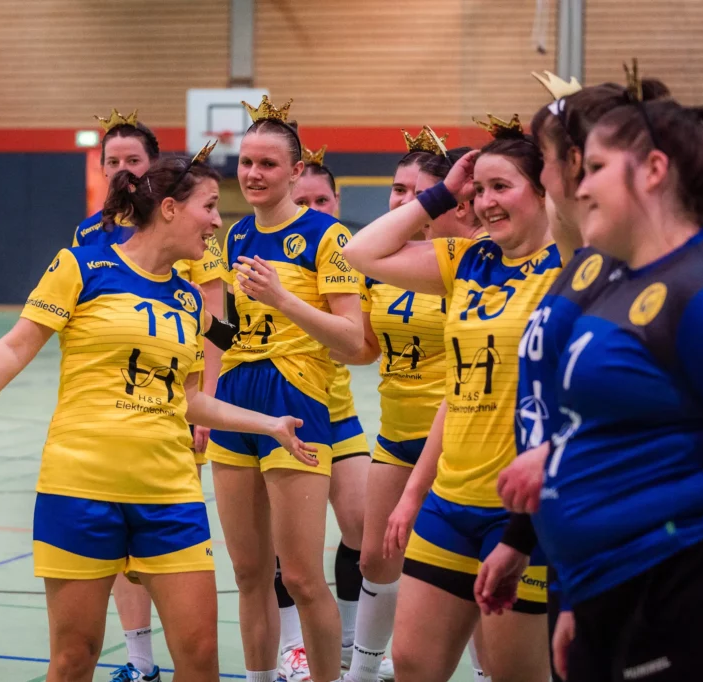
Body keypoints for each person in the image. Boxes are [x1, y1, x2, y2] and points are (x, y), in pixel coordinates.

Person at [0, 151, 317, 682]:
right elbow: (14, 347)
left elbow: (188, 397)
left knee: (200, 655)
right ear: (170, 208)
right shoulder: (80, 267)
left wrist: (267, 424)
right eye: (209, 206)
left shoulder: (190, 302)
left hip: (169, 494)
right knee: (74, 658)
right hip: (79, 489)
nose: (217, 221)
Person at [532, 91, 703, 682]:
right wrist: (576, 598)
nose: (580, 188)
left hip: (683, 589)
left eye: (597, 168)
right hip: (605, 594)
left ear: (653, 170)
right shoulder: (617, 284)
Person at [345, 117, 562, 682]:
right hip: (450, 500)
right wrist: (442, 192)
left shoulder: (572, 266)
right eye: (479, 189)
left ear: (545, 191)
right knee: (413, 664)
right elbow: (361, 252)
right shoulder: (468, 259)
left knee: (513, 672)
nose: (485, 202)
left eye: (502, 186)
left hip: (521, 507)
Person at [474, 70, 671, 682]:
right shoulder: (583, 272)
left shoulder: (674, 282)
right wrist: (524, 537)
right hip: (580, 547)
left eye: (549, 155)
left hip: (649, 552)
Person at [205, 96, 365, 682]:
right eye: (247, 162)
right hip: (235, 399)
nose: (253, 173)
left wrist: (284, 300)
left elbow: (354, 339)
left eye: (268, 164)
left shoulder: (329, 237)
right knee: (250, 574)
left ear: (297, 171)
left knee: (300, 576)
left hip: (295, 398)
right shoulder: (234, 235)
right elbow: (225, 329)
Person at [73, 110, 225, 682]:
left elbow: (214, 327)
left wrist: (205, 405)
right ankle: (139, 661)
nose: (122, 169)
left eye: (133, 160)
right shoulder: (88, 236)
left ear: (154, 168)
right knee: (114, 548)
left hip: (171, 402)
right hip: (107, 418)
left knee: (163, 542)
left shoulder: (191, 230)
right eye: (111, 160)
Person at [335, 129, 491, 682]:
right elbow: (364, 348)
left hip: (456, 439)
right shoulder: (391, 266)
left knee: (464, 570)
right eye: (396, 190)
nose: (403, 201)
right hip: (396, 432)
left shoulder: (472, 258)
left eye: (415, 192)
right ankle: (362, 669)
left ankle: (485, 670)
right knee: (375, 557)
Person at [276, 143, 370, 681]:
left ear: (337, 202)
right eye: (302, 200)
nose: (312, 209)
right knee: (287, 547)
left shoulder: (346, 255)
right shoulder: (271, 255)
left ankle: (352, 641)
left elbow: (358, 345)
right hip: (286, 409)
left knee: (362, 525)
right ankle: (294, 648)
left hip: (336, 407)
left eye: (322, 201)